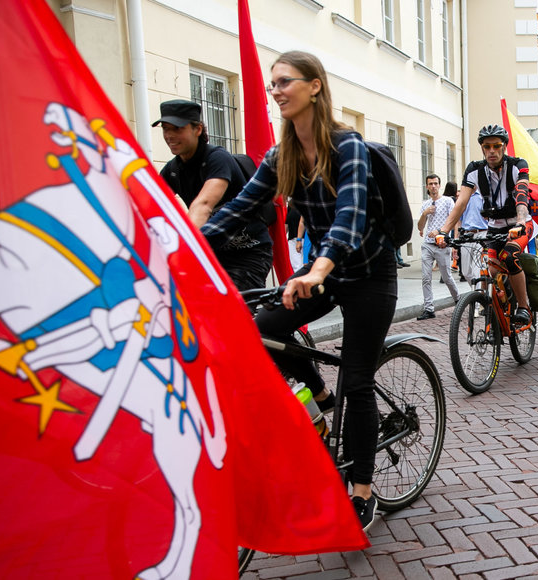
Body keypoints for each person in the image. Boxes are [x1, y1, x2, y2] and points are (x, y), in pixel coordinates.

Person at [201, 50, 395, 530]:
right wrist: (183, 246)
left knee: (359, 379)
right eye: (273, 84)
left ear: (314, 86)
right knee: (260, 332)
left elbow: (349, 216)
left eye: (285, 81)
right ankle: (320, 401)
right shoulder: (280, 154)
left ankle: (362, 491)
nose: (276, 91)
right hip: (325, 271)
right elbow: (240, 209)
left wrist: (318, 267)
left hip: (368, 274)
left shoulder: (347, 145)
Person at [154, 99, 273, 291]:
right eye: (165, 129)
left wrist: (186, 247)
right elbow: (152, 207)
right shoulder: (172, 170)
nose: (169, 135)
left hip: (247, 254)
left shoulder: (217, 158)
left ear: (198, 129)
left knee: (231, 312)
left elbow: (203, 205)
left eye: (177, 129)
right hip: (210, 255)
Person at [438, 124, 534, 326]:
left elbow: (522, 196)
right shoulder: (474, 170)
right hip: (494, 227)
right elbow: (461, 203)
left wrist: (520, 222)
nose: (492, 151)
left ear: (504, 146)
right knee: (492, 270)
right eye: (487, 146)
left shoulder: (517, 165)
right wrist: (443, 231)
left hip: (520, 224)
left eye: (496, 146)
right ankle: (507, 295)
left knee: (509, 256)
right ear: (482, 148)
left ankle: (524, 307)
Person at [416, 174, 460, 319]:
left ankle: (458, 301)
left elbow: (454, 221)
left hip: (442, 244)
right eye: (430, 184)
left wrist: (446, 236)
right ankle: (429, 309)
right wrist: (424, 214)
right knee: (426, 278)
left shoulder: (448, 201)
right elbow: (420, 227)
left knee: (447, 277)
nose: (433, 186)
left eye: (435, 183)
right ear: (427, 186)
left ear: (439, 185)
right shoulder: (425, 204)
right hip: (428, 245)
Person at [455, 183, 489, 289]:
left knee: (476, 271)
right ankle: (477, 294)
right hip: (466, 236)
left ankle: (477, 303)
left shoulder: (484, 196)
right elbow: (458, 220)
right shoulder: (462, 198)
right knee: (466, 272)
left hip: (482, 234)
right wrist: (456, 239)